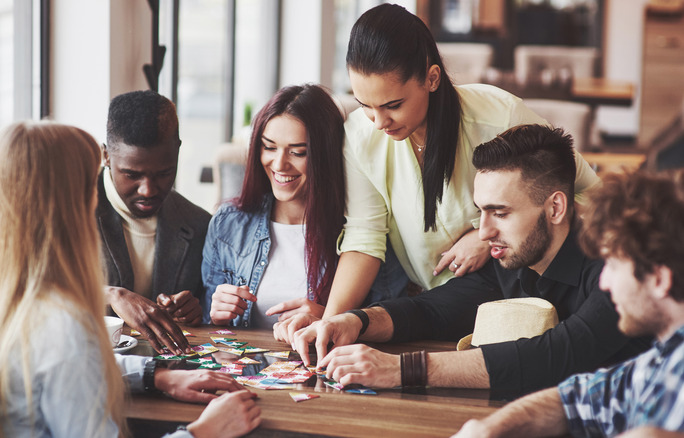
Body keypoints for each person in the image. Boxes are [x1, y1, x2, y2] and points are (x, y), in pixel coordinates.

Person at [274, 4, 602, 341]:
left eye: (393, 105)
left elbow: (589, 194)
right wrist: (331, 324)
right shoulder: (359, 136)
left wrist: (483, 236)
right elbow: (364, 239)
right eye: (365, 105)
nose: (379, 122)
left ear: (432, 78)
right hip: (433, 309)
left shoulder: (500, 117)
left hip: (518, 305)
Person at [0, 121, 260, 438]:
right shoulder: (63, 327)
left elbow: (59, 369)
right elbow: (66, 355)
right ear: (68, 206)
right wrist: (204, 432)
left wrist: (155, 376)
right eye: (91, 185)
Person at [291, 124, 649, 398]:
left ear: (555, 207)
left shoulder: (617, 270)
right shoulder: (513, 261)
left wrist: (401, 370)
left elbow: (560, 356)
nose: (483, 232)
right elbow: (433, 310)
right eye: (481, 212)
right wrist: (355, 321)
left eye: (500, 213)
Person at [453, 169, 684, 438]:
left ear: (658, 279)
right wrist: (487, 429)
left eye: (613, 264)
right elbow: (575, 399)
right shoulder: (662, 360)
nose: (605, 282)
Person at [203, 84, 356, 329]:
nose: (279, 164)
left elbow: (386, 323)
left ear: (326, 155)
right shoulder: (227, 223)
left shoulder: (361, 232)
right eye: (269, 147)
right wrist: (216, 316)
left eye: (298, 152)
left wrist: (329, 317)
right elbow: (208, 330)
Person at [99, 90, 209, 354]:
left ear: (178, 152)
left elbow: (208, 315)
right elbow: (34, 293)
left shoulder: (199, 224)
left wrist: (195, 310)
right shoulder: (67, 211)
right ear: (105, 156)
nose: (148, 190)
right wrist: (112, 295)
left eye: (163, 173)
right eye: (131, 174)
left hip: (169, 379)